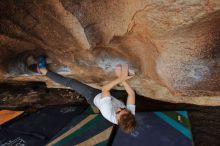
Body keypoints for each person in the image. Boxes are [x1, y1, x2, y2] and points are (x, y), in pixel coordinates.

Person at [37, 55, 136, 133]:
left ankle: (43, 71)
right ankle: (119, 80)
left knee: (71, 83)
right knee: (118, 92)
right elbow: (131, 94)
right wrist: (122, 80)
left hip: (93, 96)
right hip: (110, 98)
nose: (120, 109)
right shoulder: (130, 116)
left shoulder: (108, 112)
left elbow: (105, 89)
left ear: (117, 121)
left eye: (118, 112)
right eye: (123, 109)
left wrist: (121, 78)